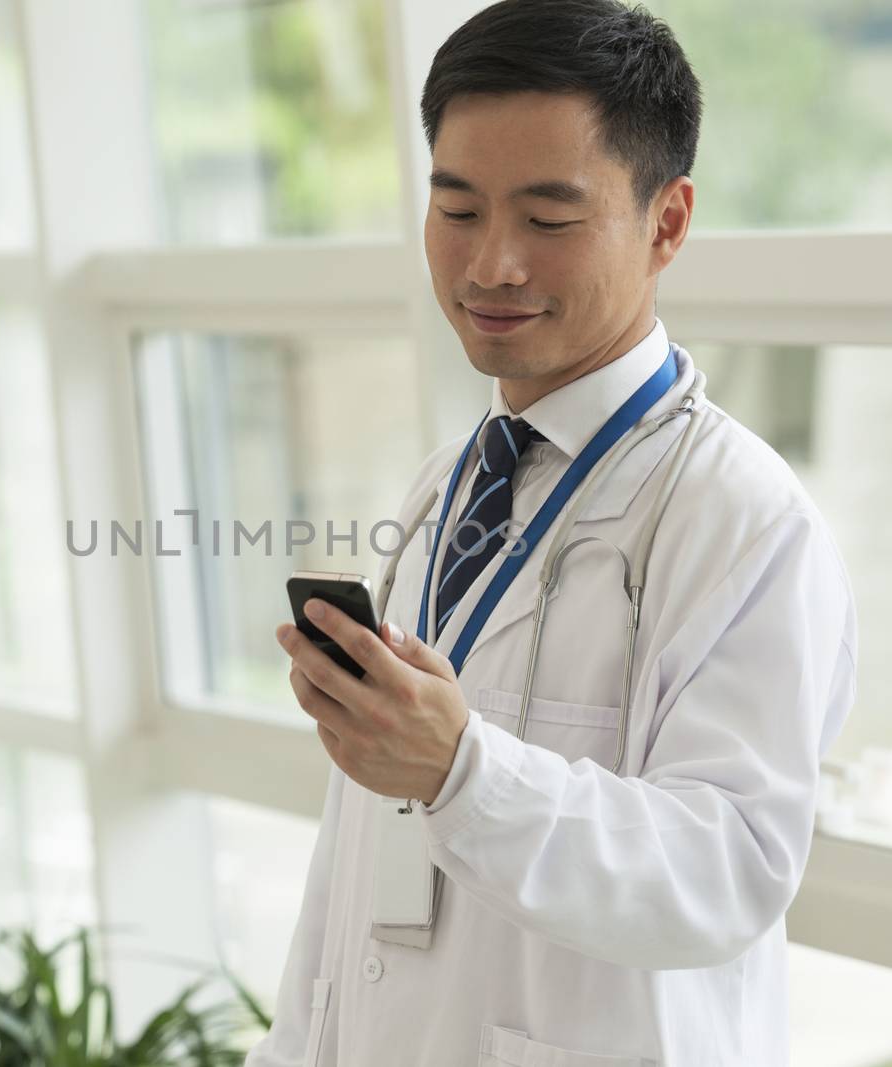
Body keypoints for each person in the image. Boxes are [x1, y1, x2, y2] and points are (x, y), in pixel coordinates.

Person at [252, 1, 858, 1064]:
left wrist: (463, 772)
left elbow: (728, 870)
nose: (491, 266)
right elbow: (349, 868)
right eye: (456, 208)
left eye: (547, 218)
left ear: (665, 222)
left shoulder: (744, 519)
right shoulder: (450, 486)